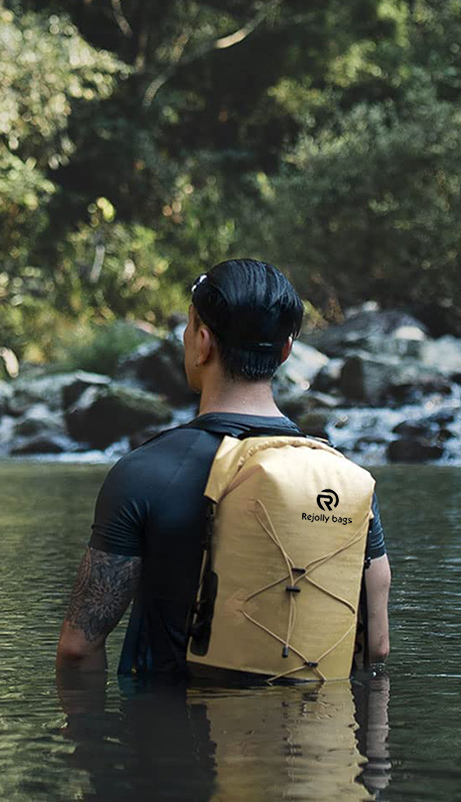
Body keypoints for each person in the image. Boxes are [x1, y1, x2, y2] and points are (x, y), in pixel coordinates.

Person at [56, 258, 391, 676]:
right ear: (286, 351)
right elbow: (376, 646)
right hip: (319, 736)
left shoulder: (143, 474)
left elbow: (78, 649)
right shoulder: (346, 481)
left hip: (176, 736)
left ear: (202, 341)